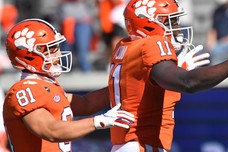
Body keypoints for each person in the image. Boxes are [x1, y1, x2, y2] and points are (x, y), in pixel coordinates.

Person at [107, 0, 228, 152]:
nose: (177, 27)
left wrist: (175, 70)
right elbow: (188, 83)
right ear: (149, 23)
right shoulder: (150, 45)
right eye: (171, 21)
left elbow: (140, 94)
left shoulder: (125, 46)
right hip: (141, 145)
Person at [3, 18, 135, 152]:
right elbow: (50, 130)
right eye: (51, 49)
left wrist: (123, 84)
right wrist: (99, 121)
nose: (58, 54)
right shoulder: (24, 90)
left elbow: (86, 104)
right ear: (29, 55)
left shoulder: (46, 86)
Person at [57, 0, 94, 72]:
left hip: (82, 21)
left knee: (82, 50)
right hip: (68, 21)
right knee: (66, 50)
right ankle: (67, 72)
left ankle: (86, 72)